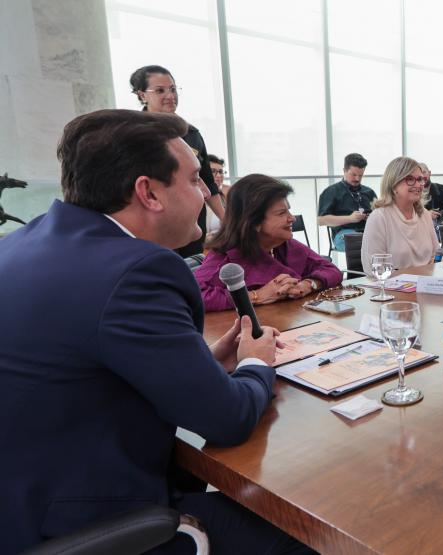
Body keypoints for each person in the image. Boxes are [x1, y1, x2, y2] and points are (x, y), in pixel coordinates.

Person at [0, 109, 313, 554]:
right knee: (307, 533)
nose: (207, 191)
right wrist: (254, 363)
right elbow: (228, 420)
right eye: (192, 179)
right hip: (84, 524)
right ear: (148, 192)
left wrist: (205, 365)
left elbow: (89, 368)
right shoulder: (136, 271)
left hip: (22, 504)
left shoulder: (22, 243)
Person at [195, 174, 343, 312]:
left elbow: (331, 270)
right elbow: (195, 296)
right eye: (281, 213)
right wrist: (257, 295)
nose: (292, 218)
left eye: (289, 211)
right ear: (253, 221)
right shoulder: (226, 255)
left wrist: (308, 285)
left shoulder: (285, 245)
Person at [129, 65, 225, 257]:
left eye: (173, 89)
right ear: (142, 95)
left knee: (192, 273)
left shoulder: (191, 133)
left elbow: (207, 182)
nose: (170, 95)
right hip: (152, 225)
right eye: (160, 90)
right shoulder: (131, 133)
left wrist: (228, 222)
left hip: (192, 224)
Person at [360, 157, 439, 271]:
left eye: (420, 179)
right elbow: (373, 268)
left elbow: (436, 253)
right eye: (410, 179)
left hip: (425, 283)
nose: (418, 185)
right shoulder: (379, 217)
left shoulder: (424, 214)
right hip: (392, 286)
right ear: (394, 184)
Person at [318, 153, 375, 251]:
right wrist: (350, 218)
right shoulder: (331, 192)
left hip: (368, 233)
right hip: (344, 234)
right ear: (344, 171)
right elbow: (321, 220)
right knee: (366, 244)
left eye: (360, 175)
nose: (357, 179)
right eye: (353, 175)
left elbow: (379, 215)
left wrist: (372, 217)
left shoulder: (369, 192)